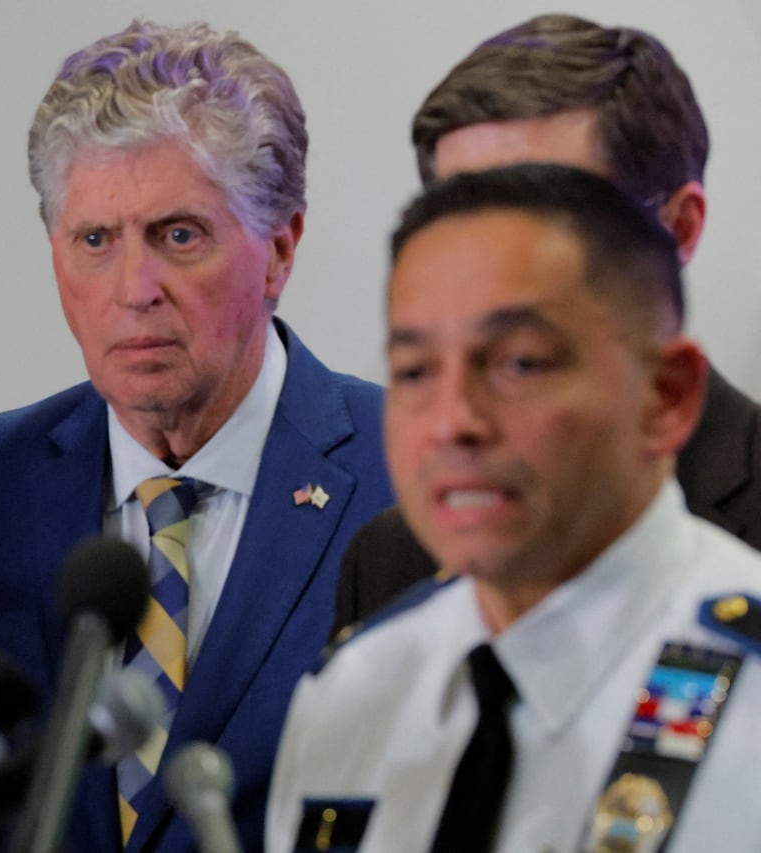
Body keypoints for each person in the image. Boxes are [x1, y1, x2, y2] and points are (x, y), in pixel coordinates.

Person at [0, 20, 394, 852]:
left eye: (178, 235)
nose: (134, 290)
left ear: (279, 250)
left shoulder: (405, 476)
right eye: (95, 240)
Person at [268, 163, 761, 852]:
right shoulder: (354, 696)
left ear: (666, 396)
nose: (453, 422)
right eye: (415, 371)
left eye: (521, 363)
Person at [334, 13, 761, 636]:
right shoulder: (389, 558)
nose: (493, 265)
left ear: (680, 228)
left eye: (552, 214)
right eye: (460, 213)